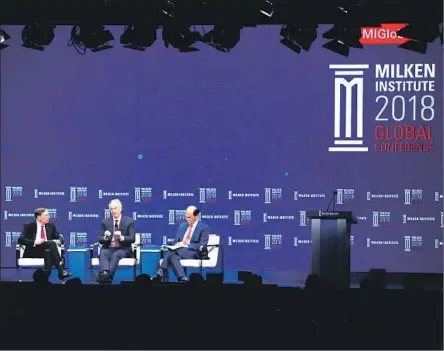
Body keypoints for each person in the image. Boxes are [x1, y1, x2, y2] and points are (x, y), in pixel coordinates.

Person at [155, 205, 209, 282]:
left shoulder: (204, 227)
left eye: (189, 217)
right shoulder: (182, 226)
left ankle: (161, 270)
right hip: (179, 251)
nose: (187, 219)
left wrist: (187, 245)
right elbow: (176, 241)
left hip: (194, 252)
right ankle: (182, 278)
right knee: (173, 257)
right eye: (186, 217)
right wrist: (176, 245)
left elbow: (202, 245)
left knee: (171, 252)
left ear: (196, 216)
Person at [18, 207, 71, 280]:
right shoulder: (30, 226)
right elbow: (20, 240)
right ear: (39, 217)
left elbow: (59, 236)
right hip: (33, 251)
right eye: (46, 215)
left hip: (46, 250)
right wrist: (35, 242)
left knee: (48, 251)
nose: (48, 217)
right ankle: (60, 270)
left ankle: (45, 276)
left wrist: (59, 241)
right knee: (51, 244)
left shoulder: (51, 226)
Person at [97, 199, 135, 282]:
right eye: (111, 209)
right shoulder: (105, 222)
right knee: (103, 252)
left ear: (120, 208)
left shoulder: (129, 221)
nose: (113, 211)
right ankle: (105, 274)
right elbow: (100, 239)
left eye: (115, 208)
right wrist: (105, 237)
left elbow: (132, 238)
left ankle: (107, 277)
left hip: (123, 249)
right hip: (109, 248)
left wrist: (122, 237)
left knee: (116, 254)